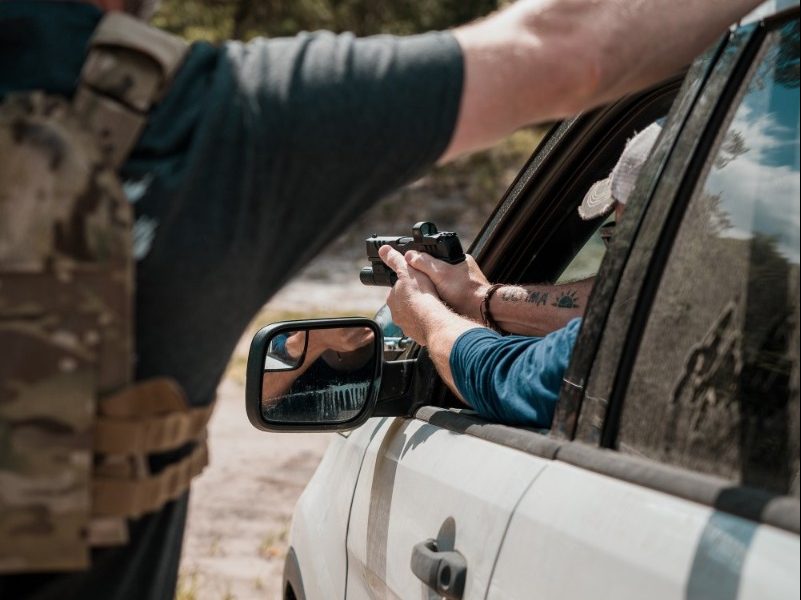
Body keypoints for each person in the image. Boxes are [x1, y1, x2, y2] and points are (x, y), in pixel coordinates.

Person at [0, 0, 762, 596]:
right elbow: (566, 49)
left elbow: (601, 321)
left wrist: (460, 306)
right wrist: (463, 307)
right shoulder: (203, 119)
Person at [380, 122, 663, 426]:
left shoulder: (643, 335)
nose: (616, 259)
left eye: (621, 242)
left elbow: (504, 376)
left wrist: (426, 315)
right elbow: (620, 300)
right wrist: (479, 297)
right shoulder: (692, 298)